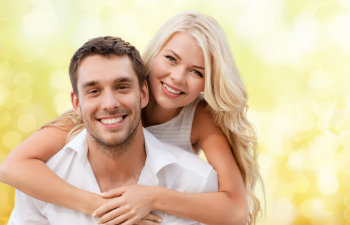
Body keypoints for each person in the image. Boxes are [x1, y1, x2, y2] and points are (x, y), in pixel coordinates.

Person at [0, 11, 262, 225]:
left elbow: (235, 210)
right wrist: (102, 206)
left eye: (197, 72)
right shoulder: (103, 106)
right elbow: (12, 167)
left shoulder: (199, 117)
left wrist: (152, 198)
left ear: (209, 82)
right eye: (171, 59)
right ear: (154, 54)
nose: (178, 77)